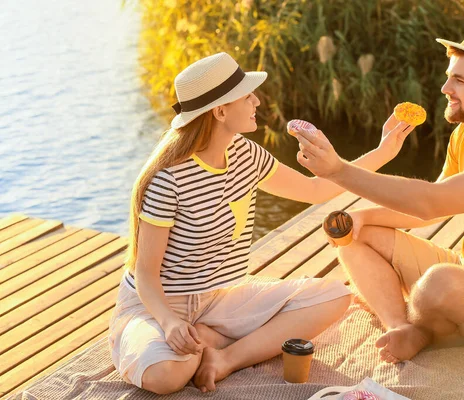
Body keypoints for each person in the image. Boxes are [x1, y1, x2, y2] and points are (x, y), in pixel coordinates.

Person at [108, 52, 414, 395]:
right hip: (159, 304)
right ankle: (205, 338)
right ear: (220, 111)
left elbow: (315, 190)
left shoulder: (246, 154)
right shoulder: (169, 180)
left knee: (335, 296)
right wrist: (169, 323)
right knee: (165, 376)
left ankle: (224, 357)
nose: (257, 100)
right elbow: (146, 276)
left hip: (218, 298)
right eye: (246, 95)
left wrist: (384, 152)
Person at [294, 23, 464, 364]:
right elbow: (435, 210)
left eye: (459, 80)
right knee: (354, 236)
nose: (445, 87)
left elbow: (429, 202)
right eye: (449, 76)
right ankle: (400, 327)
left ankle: (420, 326)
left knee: (439, 284)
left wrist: (339, 171)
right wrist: (362, 218)